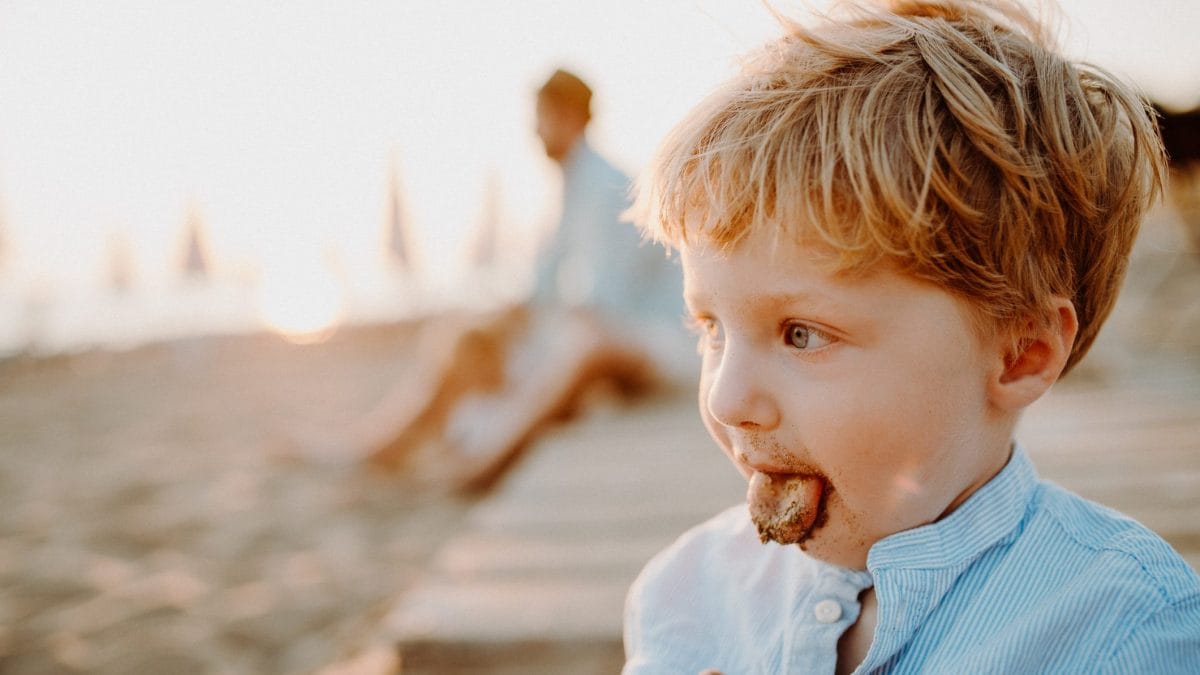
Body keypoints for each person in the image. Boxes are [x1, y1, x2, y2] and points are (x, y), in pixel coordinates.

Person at [620, 2, 1200, 673]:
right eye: (710, 328)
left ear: (1020, 353)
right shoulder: (686, 599)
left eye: (802, 333)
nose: (726, 398)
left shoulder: (1125, 629)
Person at [353, 69, 687, 490]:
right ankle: (390, 447)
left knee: (583, 345)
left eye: (541, 117)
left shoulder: (606, 186)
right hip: (616, 334)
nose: (534, 130)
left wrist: (533, 338)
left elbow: (604, 305)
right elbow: (542, 288)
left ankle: (482, 463)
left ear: (569, 117)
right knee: (467, 334)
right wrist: (499, 323)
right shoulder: (573, 183)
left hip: (661, 346)